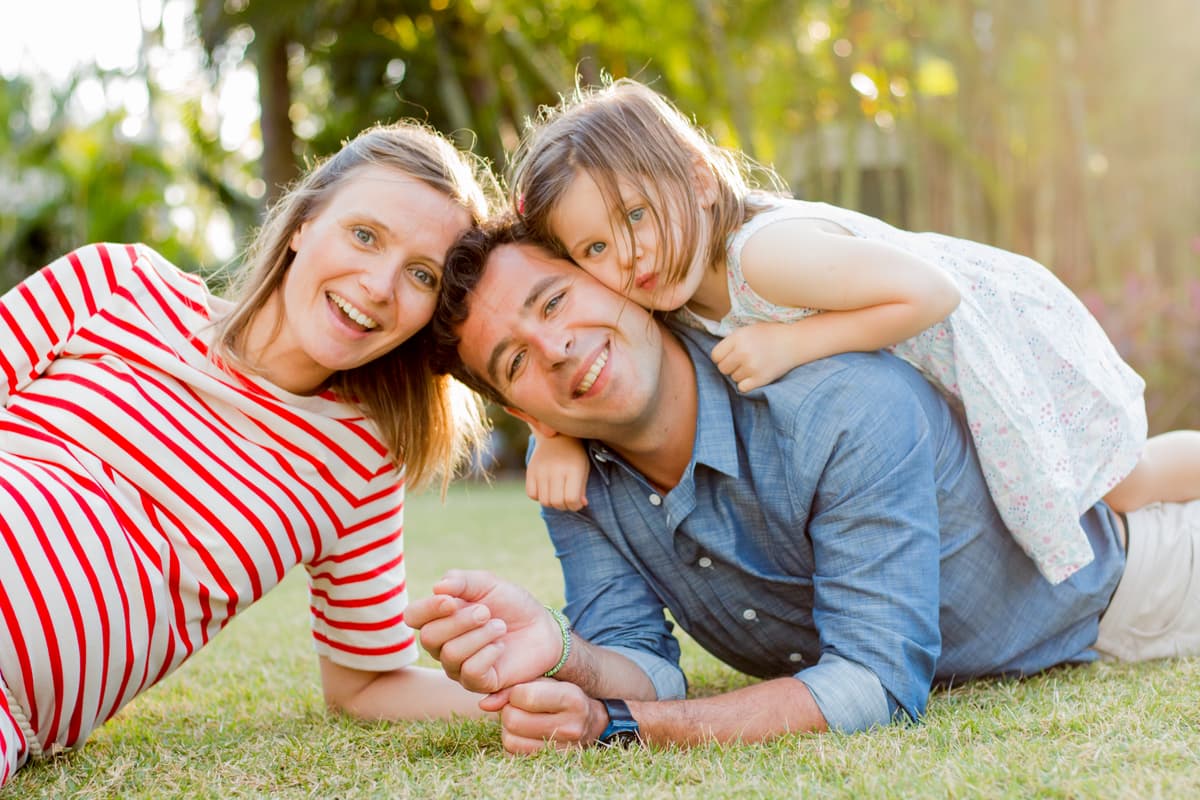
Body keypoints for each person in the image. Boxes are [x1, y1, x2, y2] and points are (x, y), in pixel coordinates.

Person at [406, 219, 1200, 752]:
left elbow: (878, 682)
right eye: (513, 360)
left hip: (1136, 584)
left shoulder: (837, 400)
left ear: (616, 280)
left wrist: (628, 727)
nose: (554, 348)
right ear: (520, 409)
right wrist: (565, 655)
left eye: (556, 300)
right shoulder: (578, 480)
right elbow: (639, 662)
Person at [509, 78, 1200, 585]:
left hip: (990, 328)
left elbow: (932, 293)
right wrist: (556, 437)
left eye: (634, 215)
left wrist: (791, 344)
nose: (629, 257)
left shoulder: (763, 256)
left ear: (697, 180)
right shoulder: (673, 281)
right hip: (940, 351)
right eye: (595, 249)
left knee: (1125, 484)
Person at [0, 121, 498, 786]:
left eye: (420, 274)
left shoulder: (358, 458)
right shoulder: (115, 285)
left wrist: (519, 700)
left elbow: (366, 682)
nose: (380, 285)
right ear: (303, 223)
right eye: (364, 234)